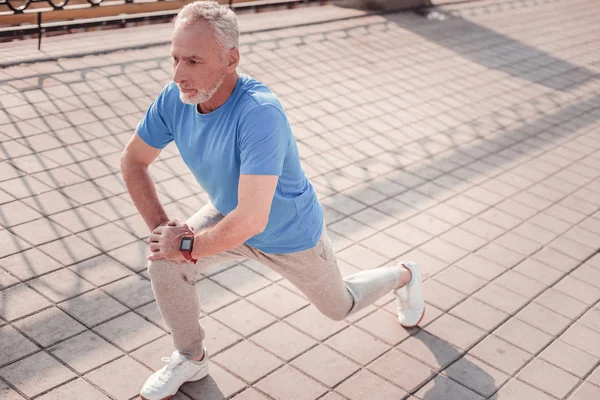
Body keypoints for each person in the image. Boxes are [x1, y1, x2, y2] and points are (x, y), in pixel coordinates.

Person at [120, 1, 425, 399]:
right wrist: (166, 233)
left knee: (340, 307)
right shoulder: (174, 98)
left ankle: (405, 274)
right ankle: (191, 357)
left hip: (288, 233)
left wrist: (189, 245)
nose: (178, 74)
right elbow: (133, 161)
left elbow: (252, 221)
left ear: (231, 59)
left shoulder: (260, 113)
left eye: (193, 61)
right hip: (231, 214)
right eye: (175, 57)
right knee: (164, 261)